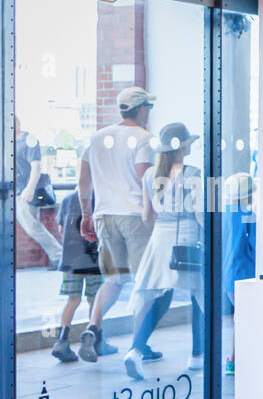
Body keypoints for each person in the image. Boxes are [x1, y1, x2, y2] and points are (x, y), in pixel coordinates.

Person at [77, 86, 157, 362]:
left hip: (103, 216)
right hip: (134, 216)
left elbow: (83, 182)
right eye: (149, 107)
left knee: (112, 280)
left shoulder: (97, 137)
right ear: (142, 109)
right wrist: (153, 215)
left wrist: (86, 214)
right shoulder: (144, 138)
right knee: (144, 282)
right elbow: (144, 180)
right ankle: (138, 346)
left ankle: (92, 327)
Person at [125, 122, 205, 380]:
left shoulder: (149, 175)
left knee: (161, 296)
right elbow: (199, 213)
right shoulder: (193, 173)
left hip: (160, 238)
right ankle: (197, 355)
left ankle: (135, 350)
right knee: (199, 296)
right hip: (186, 238)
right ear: (182, 146)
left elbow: (147, 216)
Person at [50, 185, 103, 363]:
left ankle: (61, 340)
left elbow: (60, 229)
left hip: (70, 259)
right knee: (94, 299)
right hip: (93, 260)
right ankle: (93, 341)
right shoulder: (99, 198)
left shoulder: (67, 199)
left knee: (73, 299)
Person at [221, 172, 257, 375]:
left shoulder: (223, 214)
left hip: (227, 275)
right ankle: (235, 360)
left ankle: (233, 360)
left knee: (239, 318)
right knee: (244, 319)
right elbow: (254, 247)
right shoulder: (248, 215)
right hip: (244, 273)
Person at [14, 118, 62, 265]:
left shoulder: (29, 140)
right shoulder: (9, 141)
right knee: (31, 226)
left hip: (25, 191)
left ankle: (59, 256)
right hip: (15, 191)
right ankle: (58, 256)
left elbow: (36, 167)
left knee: (33, 227)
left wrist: (30, 189)